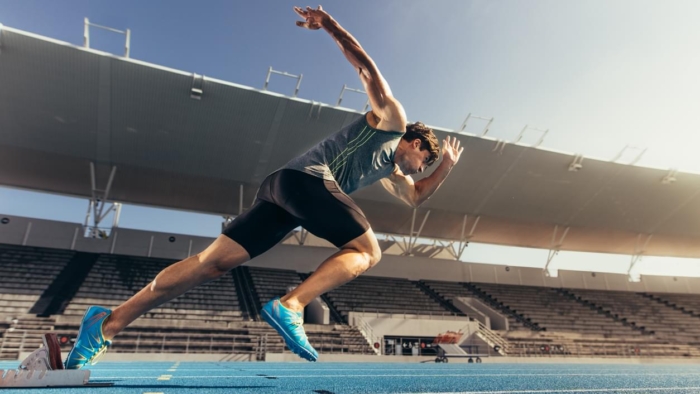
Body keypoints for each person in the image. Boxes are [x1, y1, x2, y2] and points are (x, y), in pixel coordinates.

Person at [64, 5, 463, 367]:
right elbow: (367, 69)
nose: (420, 168)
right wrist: (329, 25)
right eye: (425, 159)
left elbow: (417, 196)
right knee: (367, 251)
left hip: (282, 193)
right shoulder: (391, 121)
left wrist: (444, 166)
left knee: (210, 264)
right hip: (306, 181)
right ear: (415, 143)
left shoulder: (391, 171)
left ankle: (104, 325)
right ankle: (292, 305)